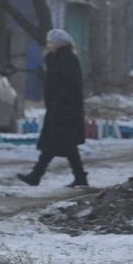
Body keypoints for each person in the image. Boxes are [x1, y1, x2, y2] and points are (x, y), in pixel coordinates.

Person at [19, 29, 89, 188]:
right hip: (59, 108)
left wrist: (58, 105)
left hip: (65, 110)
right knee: (59, 145)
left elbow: (68, 86)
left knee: (60, 144)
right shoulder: (57, 59)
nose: (48, 45)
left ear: (59, 44)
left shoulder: (68, 60)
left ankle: (37, 175)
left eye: (51, 42)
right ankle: (76, 176)